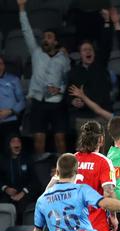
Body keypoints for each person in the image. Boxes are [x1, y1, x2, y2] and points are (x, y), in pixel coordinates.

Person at [18, 0, 70, 155]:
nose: (45, 39)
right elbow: (26, 31)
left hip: (57, 103)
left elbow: (68, 80)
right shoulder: (36, 53)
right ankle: (39, 173)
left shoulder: (63, 58)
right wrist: (22, 8)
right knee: (38, 140)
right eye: (44, 37)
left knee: (60, 140)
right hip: (38, 102)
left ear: (55, 41)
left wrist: (59, 89)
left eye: (48, 37)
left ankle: (65, 173)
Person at [67, 9, 113, 133]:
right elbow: (68, 94)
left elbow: (107, 44)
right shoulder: (74, 73)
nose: (88, 52)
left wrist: (107, 22)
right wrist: (73, 102)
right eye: (85, 50)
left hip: (103, 114)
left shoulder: (100, 65)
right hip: (84, 117)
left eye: (90, 49)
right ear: (80, 54)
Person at [0, 136, 36, 221]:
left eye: (18, 141)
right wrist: (6, 188)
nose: (16, 144)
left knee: (22, 207)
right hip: (7, 194)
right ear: (8, 145)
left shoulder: (27, 159)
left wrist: (23, 193)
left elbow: (35, 181)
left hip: (25, 194)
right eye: (13, 142)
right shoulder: (2, 160)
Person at [0, 55, 25, 142]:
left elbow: (22, 101)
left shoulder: (13, 80)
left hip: (10, 120)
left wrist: (10, 111)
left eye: (1, 64)